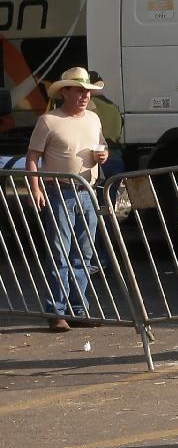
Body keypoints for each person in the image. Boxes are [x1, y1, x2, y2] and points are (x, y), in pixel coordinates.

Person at [26, 67, 108, 332]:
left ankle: (78, 309)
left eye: (88, 92)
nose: (85, 96)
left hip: (88, 191)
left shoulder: (93, 119)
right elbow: (32, 157)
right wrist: (36, 188)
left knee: (84, 254)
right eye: (80, 91)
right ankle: (56, 311)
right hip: (59, 192)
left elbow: (103, 146)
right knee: (60, 252)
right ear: (65, 92)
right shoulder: (49, 121)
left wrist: (103, 155)